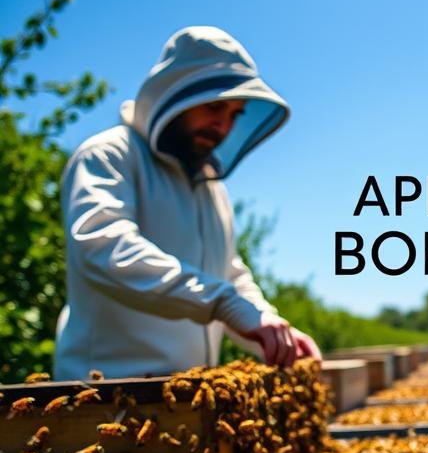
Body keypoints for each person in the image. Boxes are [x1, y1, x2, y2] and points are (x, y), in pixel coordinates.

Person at [54, 26, 321, 380]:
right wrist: (222, 301)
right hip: (104, 393)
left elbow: (228, 273)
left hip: (186, 396)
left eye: (234, 115)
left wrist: (267, 325)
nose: (222, 126)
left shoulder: (209, 188)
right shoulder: (109, 155)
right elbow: (105, 247)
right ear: (175, 94)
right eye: (214, 107)